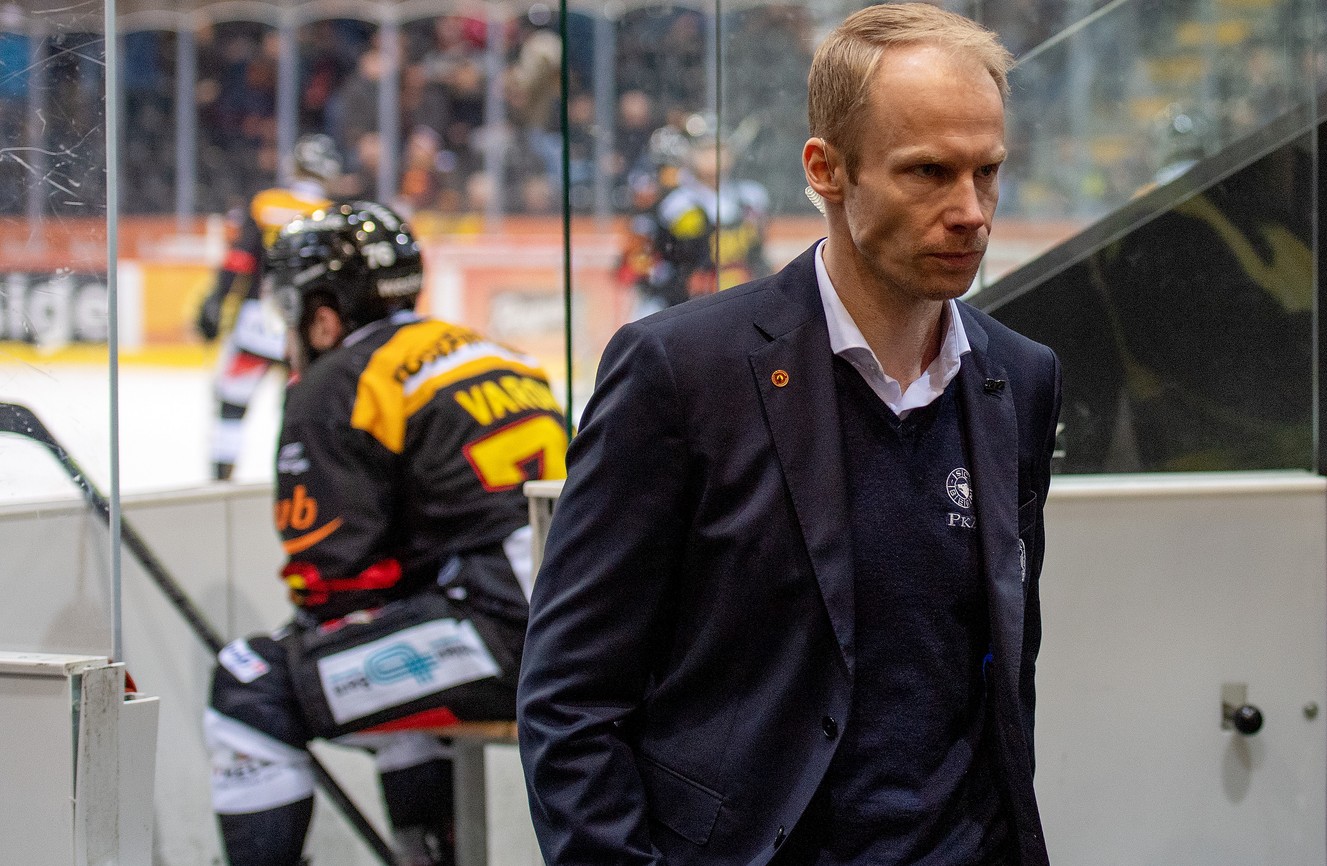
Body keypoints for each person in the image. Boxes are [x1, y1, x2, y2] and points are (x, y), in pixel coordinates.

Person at [517, 5, 1060, 865]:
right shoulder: (679, 373)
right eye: (928, 172)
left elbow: (1001, 668)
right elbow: (570, 698)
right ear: (828, 168)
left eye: (986, 172)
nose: (971, 212)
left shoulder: (1020, 378)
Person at [204, 201, 568, 866]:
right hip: (576, 628)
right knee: (394, 667)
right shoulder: (495, 354)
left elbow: (330, 581)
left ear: (322, 313)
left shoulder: (339, 381)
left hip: (507, 641)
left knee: (249, 686)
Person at [194, 133, 341, 480]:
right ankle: (296, 479)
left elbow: (240, 260)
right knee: (298, 410)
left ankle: (221, 480)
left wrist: (216, 299)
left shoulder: (264, 203)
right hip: (302, 328)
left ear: (295, 165)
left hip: (255, 320)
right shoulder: (333, 214)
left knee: (232, 404)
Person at [630, 112, 771, 317]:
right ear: (688, 154)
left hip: (738, 302)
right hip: (682, 307)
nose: (714, 156)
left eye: (720, 148)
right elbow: (651, 259)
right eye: (705, 149)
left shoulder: (751, 197)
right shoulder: (673, 204)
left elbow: (757, 255)